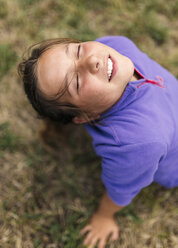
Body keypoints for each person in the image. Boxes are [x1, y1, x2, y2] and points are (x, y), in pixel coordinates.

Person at [18, 36, 178, 248]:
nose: (92, 60)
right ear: (85, 117)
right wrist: (104, 216)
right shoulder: (137, 142)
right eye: (76, 82)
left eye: (77, 51)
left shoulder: (116, 46)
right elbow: (121, 187)